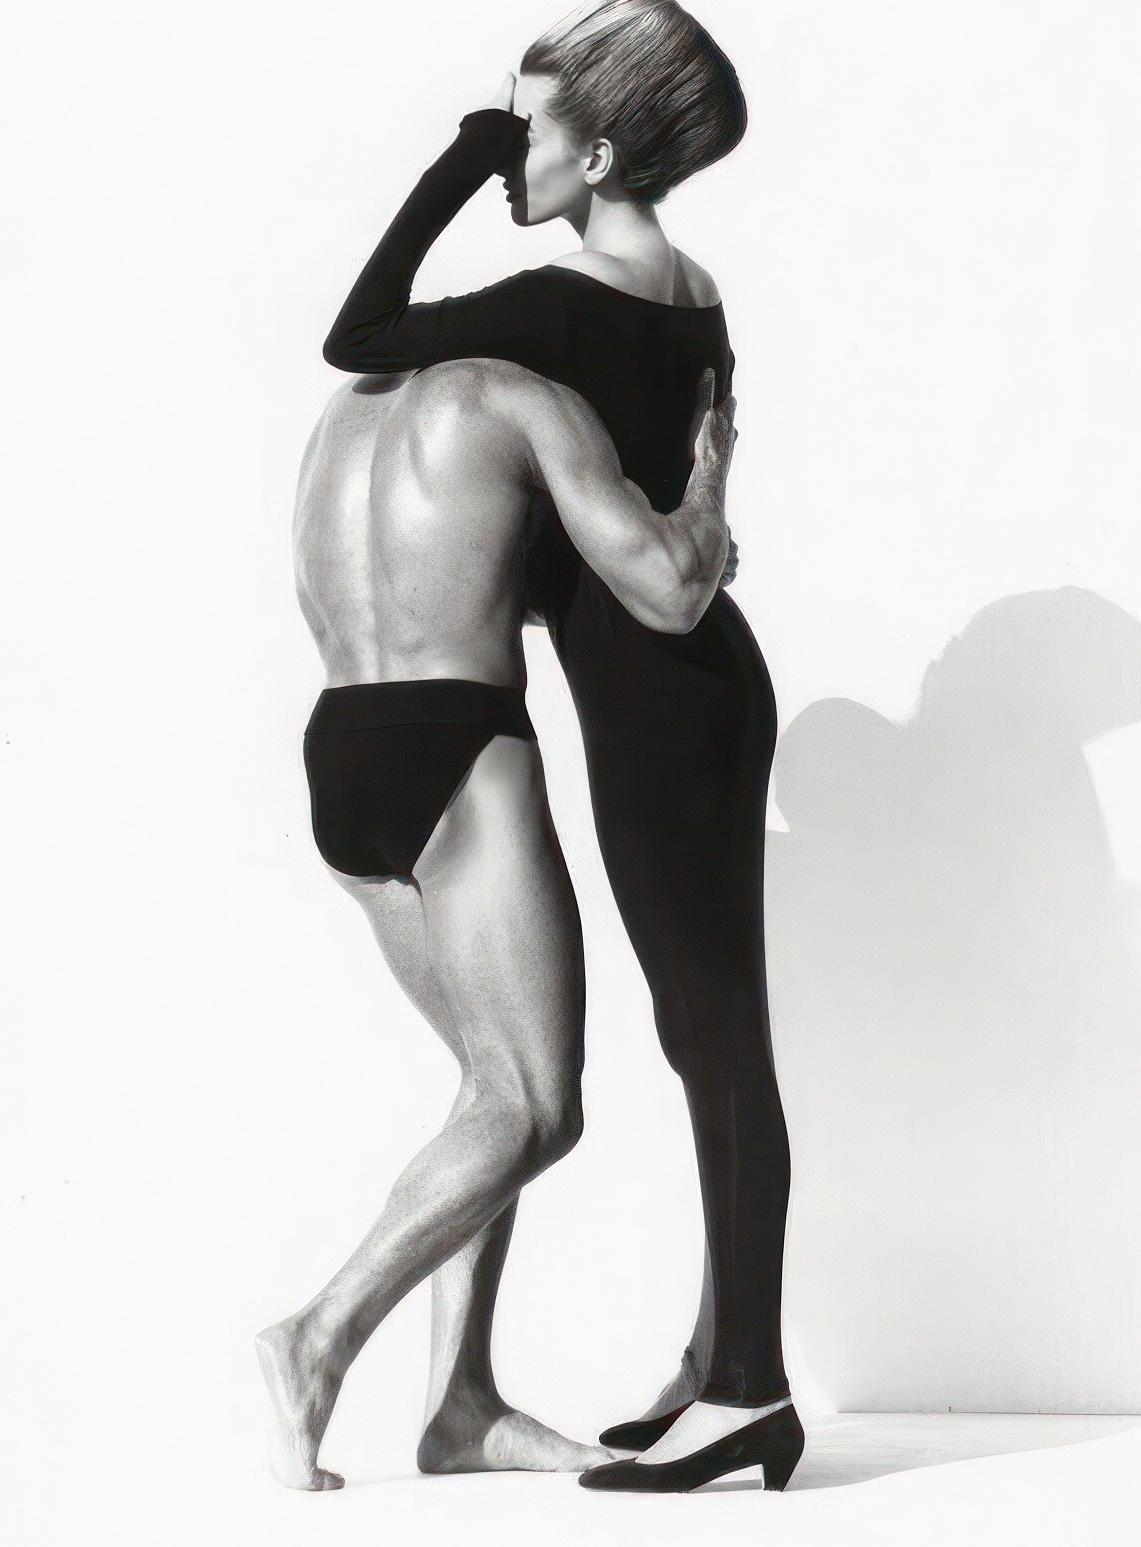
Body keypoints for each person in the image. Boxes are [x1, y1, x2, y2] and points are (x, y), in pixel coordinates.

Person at [320, 0, 803, 1493]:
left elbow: (358, 332)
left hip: (659, 695)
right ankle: (715, 1359)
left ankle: (749, 1390)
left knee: (715, 1029)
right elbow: (682, 491)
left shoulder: (555, 308)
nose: (503, 151)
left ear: (592, 157)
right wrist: (698, 515)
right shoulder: (693, 294)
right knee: (699, 1028)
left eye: (520, 127)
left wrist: (449, 166)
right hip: (695, 679)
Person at [256, 357, 737, 1490]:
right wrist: (709, 481)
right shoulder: (512, 394)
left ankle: (460, 1407)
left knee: (487, 1087)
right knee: (534, 1106)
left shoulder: (345, 418)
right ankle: (318, 1335)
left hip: (341, 753)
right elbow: (673, 587)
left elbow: (418, 575)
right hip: (459, 746)